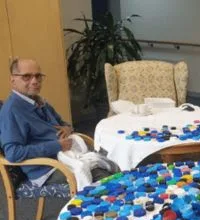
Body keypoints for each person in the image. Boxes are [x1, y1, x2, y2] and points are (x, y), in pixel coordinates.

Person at [0, 58, 115, 188]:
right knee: (103, 177)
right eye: (26, 76)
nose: (34, 81)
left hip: (67, 155)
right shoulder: (12, 110)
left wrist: (67, 128)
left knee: (112, 159)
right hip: (47, 168)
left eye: (38, 76)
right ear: (13, 80)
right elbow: (13, 153)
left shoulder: (39, 102)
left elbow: (64, 123)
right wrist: (57, 146)